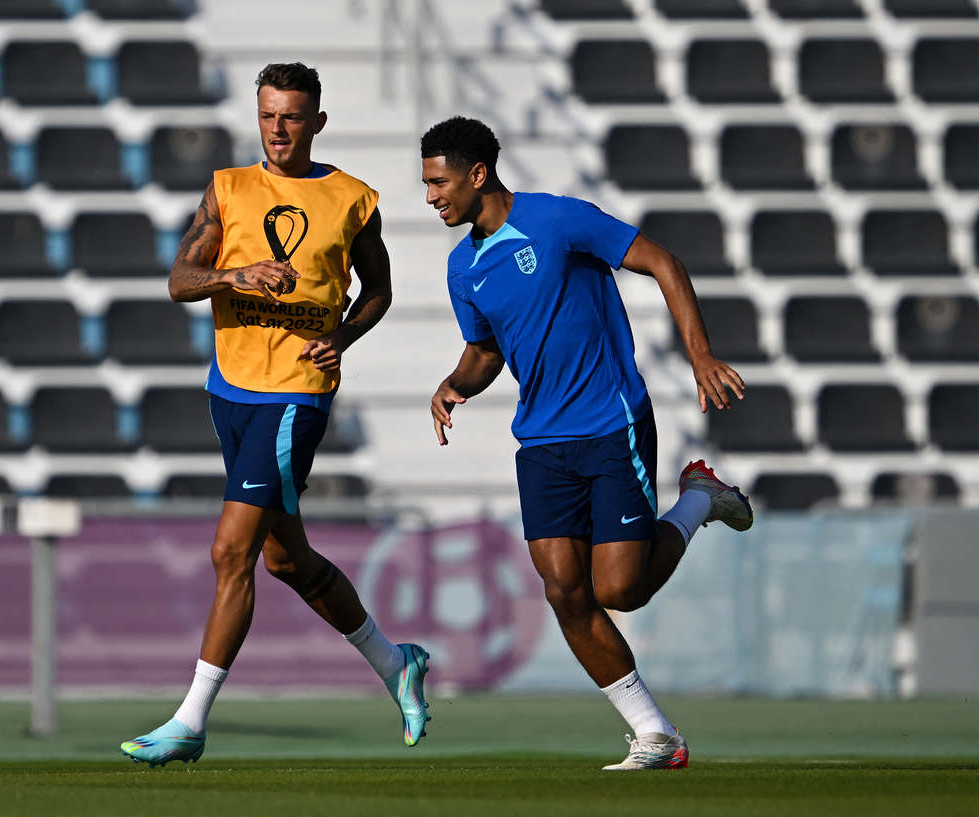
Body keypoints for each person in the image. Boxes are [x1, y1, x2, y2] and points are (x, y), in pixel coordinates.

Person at [121, 62, 429, 767]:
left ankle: (190, 720)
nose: (279, 129)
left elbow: (378, 290)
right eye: (268, 115)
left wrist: (342, 336)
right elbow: (179, 280)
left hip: (296, 393)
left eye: (292, 116)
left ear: (317, 122)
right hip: (230, 388)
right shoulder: (228, 189)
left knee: (231, 552)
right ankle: (397, 663)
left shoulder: (352, 199)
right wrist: (235, 274)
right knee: (285, 557)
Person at [421, 116, 752, 771]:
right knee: (565, 591)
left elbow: (663, 261)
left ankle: (699, 499)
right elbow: (486, 350)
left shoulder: (559, 220)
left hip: (610, 421)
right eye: (427, 184)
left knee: (622, 588)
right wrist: (456, 384)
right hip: (541, 442)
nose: (431, 196)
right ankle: (655, 734)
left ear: (478, 174)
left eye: (439, 182)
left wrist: (702, 354)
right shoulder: (464, 267)